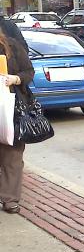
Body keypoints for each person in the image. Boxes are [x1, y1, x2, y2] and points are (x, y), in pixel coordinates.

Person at [0, 31, 36, 214]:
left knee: (12, 156)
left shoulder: (12, 45)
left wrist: (15, 79)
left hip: (11, 108)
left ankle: (10, 199)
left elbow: (29, 72)